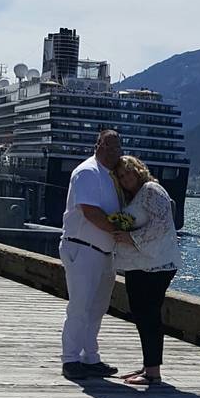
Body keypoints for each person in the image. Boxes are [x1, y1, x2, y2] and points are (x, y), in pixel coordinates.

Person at [59, 129, 123, 381]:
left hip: (104, 252)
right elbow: (89, 211)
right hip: (82, 247)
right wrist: (119, 230)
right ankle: (70, 359)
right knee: (80, 306)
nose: (113, 152)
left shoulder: (110, 176)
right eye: (108, 147)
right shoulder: (88, 172)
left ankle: (90, 356)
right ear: (98, 146)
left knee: (97, 308)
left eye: (117, 148)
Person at [112, 155, 182, 385]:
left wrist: (131, 238)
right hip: (141, 266)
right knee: (141, 315)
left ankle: (153, 373)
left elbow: (162, 223)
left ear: (139, 170)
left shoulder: (152, 189)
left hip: (156, 266)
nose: (125, 179)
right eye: (121, 176)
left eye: (128, 173)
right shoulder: (134, 198)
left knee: (149, 314)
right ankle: (148, 366)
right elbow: (127, 222)